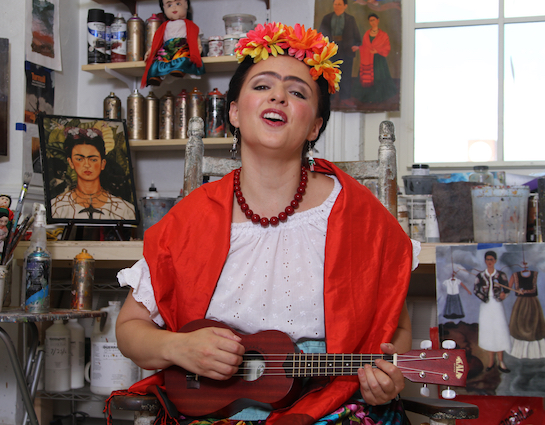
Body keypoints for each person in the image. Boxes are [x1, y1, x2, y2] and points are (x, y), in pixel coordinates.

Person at [113, 22, 415, 425]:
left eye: (297, 91)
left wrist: (388, 379)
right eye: (262, 86)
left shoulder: (358, 213)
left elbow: (396, 329)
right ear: (234, 112)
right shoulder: (191, 217)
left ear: (314, 126)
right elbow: (129, 330)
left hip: (330, 403)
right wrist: (178, 349)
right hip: (215, 411)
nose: (278, 96)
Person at [50, 127, 136, 221]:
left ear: (102, 163)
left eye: (93, 159)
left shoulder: (125, 210)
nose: (87, 165)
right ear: (70, 162)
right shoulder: (56, 207)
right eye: (79, 159)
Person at [141, 0, 204, 87]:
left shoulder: (189, 25)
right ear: (164, 9)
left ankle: (179, 70)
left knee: (182, 57)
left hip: (182, 46)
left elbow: (195, 36)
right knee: (159, 60)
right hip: (167, 48)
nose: (174, 7)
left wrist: (198, 46)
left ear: (186, 4)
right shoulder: (163, 27)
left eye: (178, 3)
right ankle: (157, 76)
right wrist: (150, 51)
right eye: (169, 5)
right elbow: (157, 41)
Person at [473, 250, 512, 373]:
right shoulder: (480, 276)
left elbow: (506, 289)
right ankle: (491, 362)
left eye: (491, 259)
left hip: (497, 305)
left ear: (495, 261)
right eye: (487, 260)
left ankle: (501, 361)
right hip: (486, 306)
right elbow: (476, 290)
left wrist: (503, 294)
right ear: (485, 261)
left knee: (499, 331)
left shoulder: (501, 275)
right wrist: (483, 297)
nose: (489, 262)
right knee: (489, 332)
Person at [318, 0, 362, 101]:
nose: (336, 6)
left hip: (346, 49)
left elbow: (357, 36)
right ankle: (330, 98)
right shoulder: (327, 18)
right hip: (330, 49)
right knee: (329, 74)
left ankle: (345, 98)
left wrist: (357, 45)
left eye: (339, 4)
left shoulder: (350, 19)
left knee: (346, 74)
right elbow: (320, 34)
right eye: (335, 4)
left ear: (345, 6)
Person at [508, 263, 545, 359]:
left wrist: (523, 291)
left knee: (534, 323)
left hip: (533, 302)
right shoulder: (515, 275)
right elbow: (508, 288)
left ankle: (534, 351)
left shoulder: (534, 274)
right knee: (518, 323)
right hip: (520, 303)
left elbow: (533, 289)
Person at [351, 13, 397, 104]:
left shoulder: (383, 35)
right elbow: (365, 46)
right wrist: (358, 48)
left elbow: (387, 47)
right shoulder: (367, 34)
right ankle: (366, 98)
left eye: (374, 20)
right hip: (367, 60)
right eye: (370, 20)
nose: (372, 22)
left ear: (378, 20)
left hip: (379, 61)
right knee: (365, 78)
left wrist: (377, 50)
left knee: (379, 78)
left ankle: (378, 99)